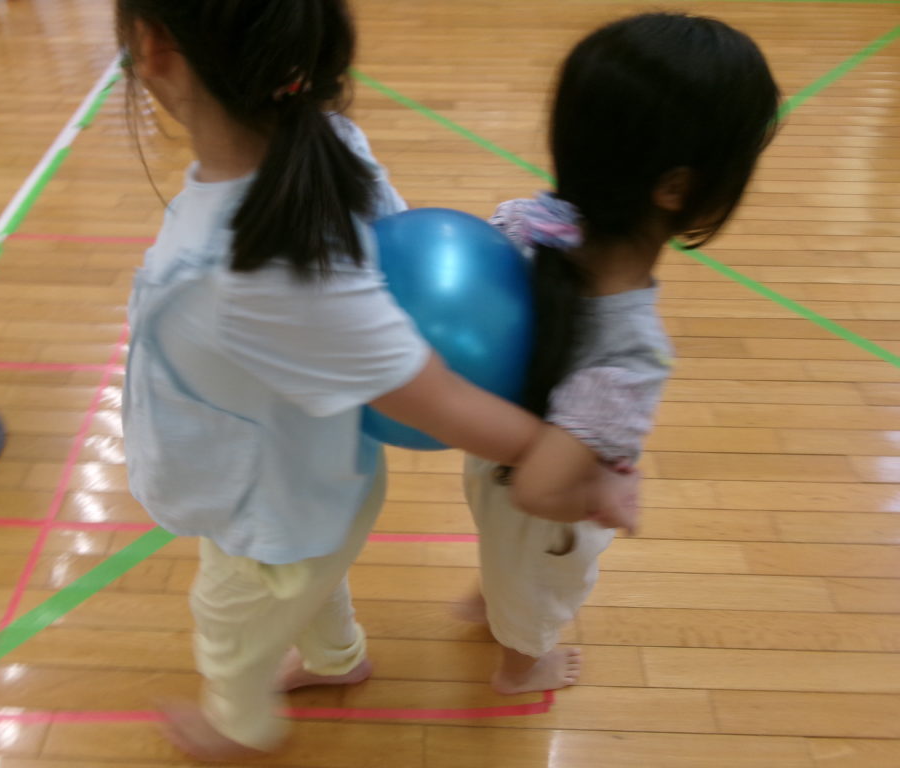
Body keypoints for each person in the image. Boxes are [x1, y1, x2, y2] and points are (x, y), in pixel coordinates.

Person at [115, 0, 634, 761]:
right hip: (308, 477)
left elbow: (435, 395)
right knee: (309, 576)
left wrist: (578, 467)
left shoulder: (249, 268)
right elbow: (396, 262)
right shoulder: (328, 144)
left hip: (266, 499)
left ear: (153, 46)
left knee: (231, 625)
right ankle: (337, 660)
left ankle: (238, 725)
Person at [462, 11, 780, 696]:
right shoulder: (630, 355)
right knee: (538, 594)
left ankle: (496, 593)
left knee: (509, 561)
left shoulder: (524, 223)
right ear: (677, 188)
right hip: (547, 511)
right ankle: (521, 668)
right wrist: (602, 490)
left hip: (486, 464)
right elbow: (541, 490)